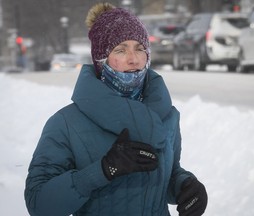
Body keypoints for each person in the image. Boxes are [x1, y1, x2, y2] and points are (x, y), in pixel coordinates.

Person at [24, 3, 208, 216]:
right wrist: (102, 170)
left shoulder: (166, 115)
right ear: (101, 60)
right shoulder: (66, 123)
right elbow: (38, 203)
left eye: (140, 48)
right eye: (121, 50)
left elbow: (167, 174)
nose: (134, 59)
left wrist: (185, 186)